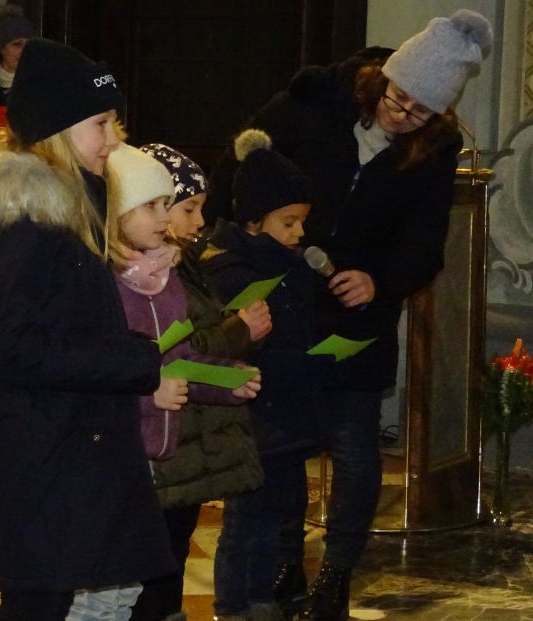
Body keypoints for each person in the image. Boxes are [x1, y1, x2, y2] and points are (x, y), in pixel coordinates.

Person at [203, 11, 493, 620]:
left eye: (420, 112)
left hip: (358, 314)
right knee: (281, 445)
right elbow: (240, 163)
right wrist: (237, 245)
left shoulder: (436, 148)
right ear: (384, 79)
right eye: (398, 98)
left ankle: (335, 575)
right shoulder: (315, 100)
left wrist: (378, 281)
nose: (402, 116)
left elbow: (425, 243)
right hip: (284, 301)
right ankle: (285, 562)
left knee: (354, 446)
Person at [0, 38, 177, 621]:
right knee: (40, 599)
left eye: (114, 123)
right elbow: (14, 347)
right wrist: (133, 362)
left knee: (58, 593)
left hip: (70, 431)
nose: (114, 139)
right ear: (55, 130)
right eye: (100, 124)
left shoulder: (65, 201)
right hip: (41, 439)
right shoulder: (17, 216)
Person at [105, 144, 264, 621]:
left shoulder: (168, 273)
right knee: (125, 583)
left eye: (167, 204)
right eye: (160, 205)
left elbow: (182, 356)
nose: (193, 220)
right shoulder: (106, 281)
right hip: (130, 456)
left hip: (174, 447)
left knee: (167, 562)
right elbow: (102, 370)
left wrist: (225, 382)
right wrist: (150, 390)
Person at [190, 129, 323, 621]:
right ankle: (233, 606)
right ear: (252, 220)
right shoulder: (230, 271)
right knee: (246, 520)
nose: (299, 233)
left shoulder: (287, 263)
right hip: (250, 417)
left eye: (302, 222)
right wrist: (254, 334)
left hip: (284, 414)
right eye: (289, 222)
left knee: (279, 516)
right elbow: (223, 343)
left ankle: (264, 599)